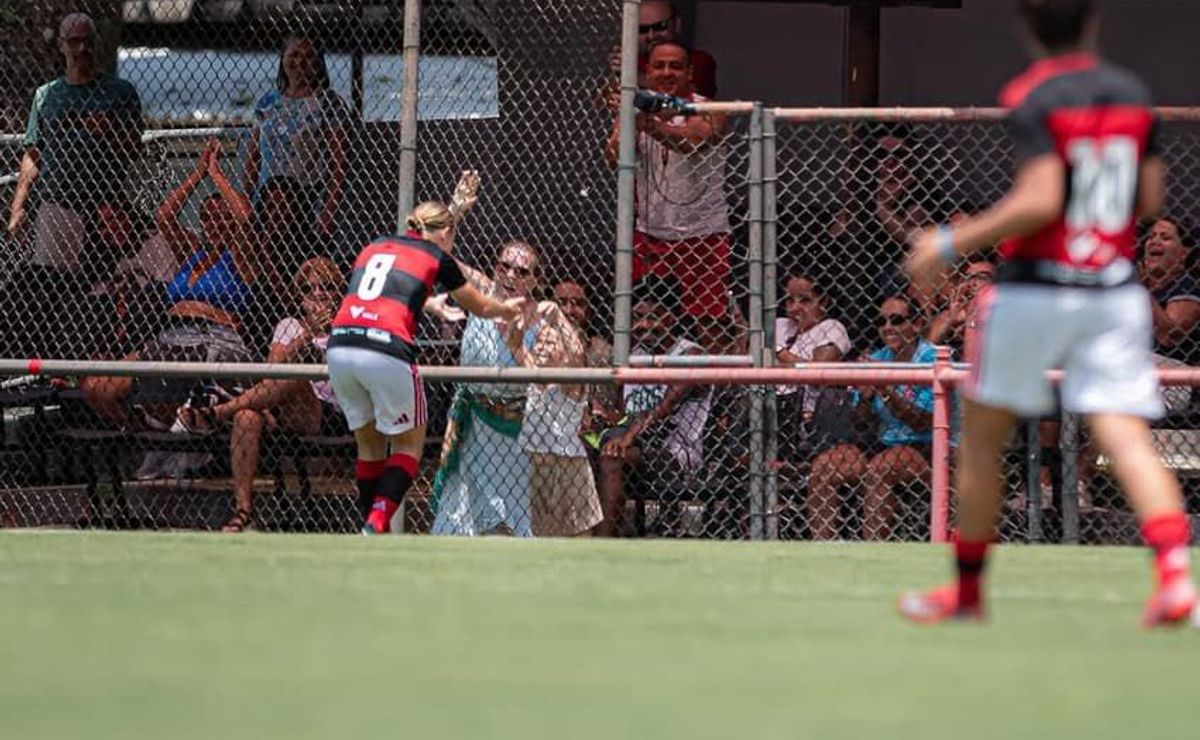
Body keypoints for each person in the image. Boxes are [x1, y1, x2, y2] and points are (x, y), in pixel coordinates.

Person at [899, 0, 1196, 627]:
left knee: (982, 439)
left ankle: (970, 593)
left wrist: (949, 241)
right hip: (1113, 288)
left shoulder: (1033, 94)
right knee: (1124, 432)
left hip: (1035, 289)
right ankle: (1174, 580)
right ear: (1093, 22)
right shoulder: (1132, 95)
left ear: (1024, 27)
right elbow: (1147, 198)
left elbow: (1039, 198)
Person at [327, 197, 526, 536]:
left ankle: (374, 530)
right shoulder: (437, 256)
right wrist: (507, 310)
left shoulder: (374, 246)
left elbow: (378, 295)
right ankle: (377, 520)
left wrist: (429, 304)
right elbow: (479, 306)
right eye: (453, 236)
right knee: (408, 446)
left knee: (369, 445)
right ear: (446, 232)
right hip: (385, 349)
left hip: (341, 346)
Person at [81, 139, 261, 430]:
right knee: (97, 387)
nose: (213, 223)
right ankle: (147, 433)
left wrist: (216, 175)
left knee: (164, 384)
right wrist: (198, 171)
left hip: (213, 337)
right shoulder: (192, 253)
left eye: (221, 217)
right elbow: (164, 216)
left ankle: (166, 434)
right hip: (171, 337)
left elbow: (244, 217)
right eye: (207, 218)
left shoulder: (240, 257)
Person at [4, 12, 143, 359]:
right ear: (62, 46)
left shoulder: (118, 91)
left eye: (88, 41)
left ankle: (98, 359)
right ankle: (51, 366)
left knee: (99, 289)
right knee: (52, 287)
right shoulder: (46, 95)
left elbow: (134, 148)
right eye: (75, 41)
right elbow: (33, 153)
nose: (82, 48)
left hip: (104, 206)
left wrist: (110, 130)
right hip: (57, 204)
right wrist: (18, 205)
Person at [177, 258, 347, 532]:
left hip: (324, 410)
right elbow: (273, 368)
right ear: (299, 295)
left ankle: (220, 412)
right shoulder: (289, 325)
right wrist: (307, 336)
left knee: (297, 375)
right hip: (278, 407)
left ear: (338, 291)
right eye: (308, 289)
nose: (317, 295)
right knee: (246, 416)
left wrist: (322, 335)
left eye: (325, 287)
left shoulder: (348, 325)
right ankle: (243, 510)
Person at [605, 40, 732, 352]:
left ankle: (719, 394)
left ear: (690, 72)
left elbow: (690, 141)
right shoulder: (636, 109)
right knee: (642, 317)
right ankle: (641, 390)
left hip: (703, 235)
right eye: (659, 65)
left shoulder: (712, 109)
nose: (666, 72)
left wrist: (646, 120)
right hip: (651, 233)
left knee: (708, 322)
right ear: (647, 72)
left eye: (675, 65)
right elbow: (614, 157)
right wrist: (627, 112)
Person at [431, 240, 544, 537]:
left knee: (511, 512)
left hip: (511, 426)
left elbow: (543, 378)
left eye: (521, 272)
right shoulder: (481, 292)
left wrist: (517, 343)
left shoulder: (539, 318)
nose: (510, 276)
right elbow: (439, 255)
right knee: (457, 509)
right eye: (503, 267)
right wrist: (456, 211)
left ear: (534, 280)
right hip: (472, 418)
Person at [807, 297, 935, 541]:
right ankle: (823, 551)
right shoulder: (878, 357)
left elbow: (922, 421)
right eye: (881, 321)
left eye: (896, 320)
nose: (887, 327)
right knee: (825, 466)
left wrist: (884, 389)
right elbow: (861, 423)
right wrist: (865, 398)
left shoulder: (930, 358)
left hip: (926, 443)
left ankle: (872, 551)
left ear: (917, 324)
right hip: (882, 441)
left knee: (881, 468)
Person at [596, 275, 711, 536]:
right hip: (633, 444)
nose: (644, 325)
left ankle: (600, 542)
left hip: (674, 452)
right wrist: (601, 417)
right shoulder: (632, 355)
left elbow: (665, 406)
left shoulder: (690, 354)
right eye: (638, 317)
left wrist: (627, 436)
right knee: (587, 450)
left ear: (672, 318)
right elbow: (622, 412)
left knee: (611, 457)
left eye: (654, 316)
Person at [507, 293, 604, 538]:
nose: (541, 347)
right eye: (540, 341)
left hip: (568, 465)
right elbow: (515, 344)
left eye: (551, 344)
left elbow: (576, 352)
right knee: (540, 533)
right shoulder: (534, 374)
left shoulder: (571, 383)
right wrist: (517, 322)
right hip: (535, 464)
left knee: (577, 534)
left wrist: (558, 316)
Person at [243, 31, 349, 244]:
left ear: (318, 63)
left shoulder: (328, 102)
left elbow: (340, 164)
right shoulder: (268, 102)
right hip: (267, 202)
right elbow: (254, 157)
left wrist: (329, 209)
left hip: (308, 201)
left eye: (309, 56)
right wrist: (246, 200)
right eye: (294, 55)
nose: (300, 61)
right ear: (283, 59)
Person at [1138, 217, 1200, 363]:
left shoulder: (1186, 286)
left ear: (1184, 253)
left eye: (1165, 238)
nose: (1154, 241)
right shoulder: (1143, 286)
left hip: (1178, 374)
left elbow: (1169, 336)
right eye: (1151, 237)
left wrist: (1140, 292)